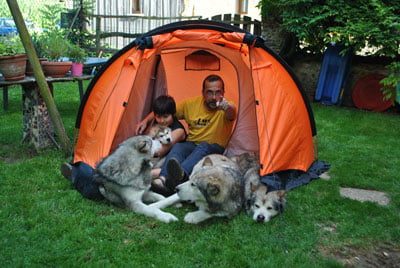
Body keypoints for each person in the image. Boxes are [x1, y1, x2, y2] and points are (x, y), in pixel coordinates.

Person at [136, 74, 236, 195]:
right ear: (203, 92)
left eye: (218, 92)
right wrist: (145, 120)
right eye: (209, 92)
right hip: (191, 144)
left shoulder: (227, 107)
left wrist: (227, 107)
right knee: (179, 146)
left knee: (203, 146)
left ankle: (175, 179)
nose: (214, 97)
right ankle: (162, 180)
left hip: (213, 147)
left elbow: (231, 113)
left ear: (223, 93)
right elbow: (166, 110)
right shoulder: (191, 104)